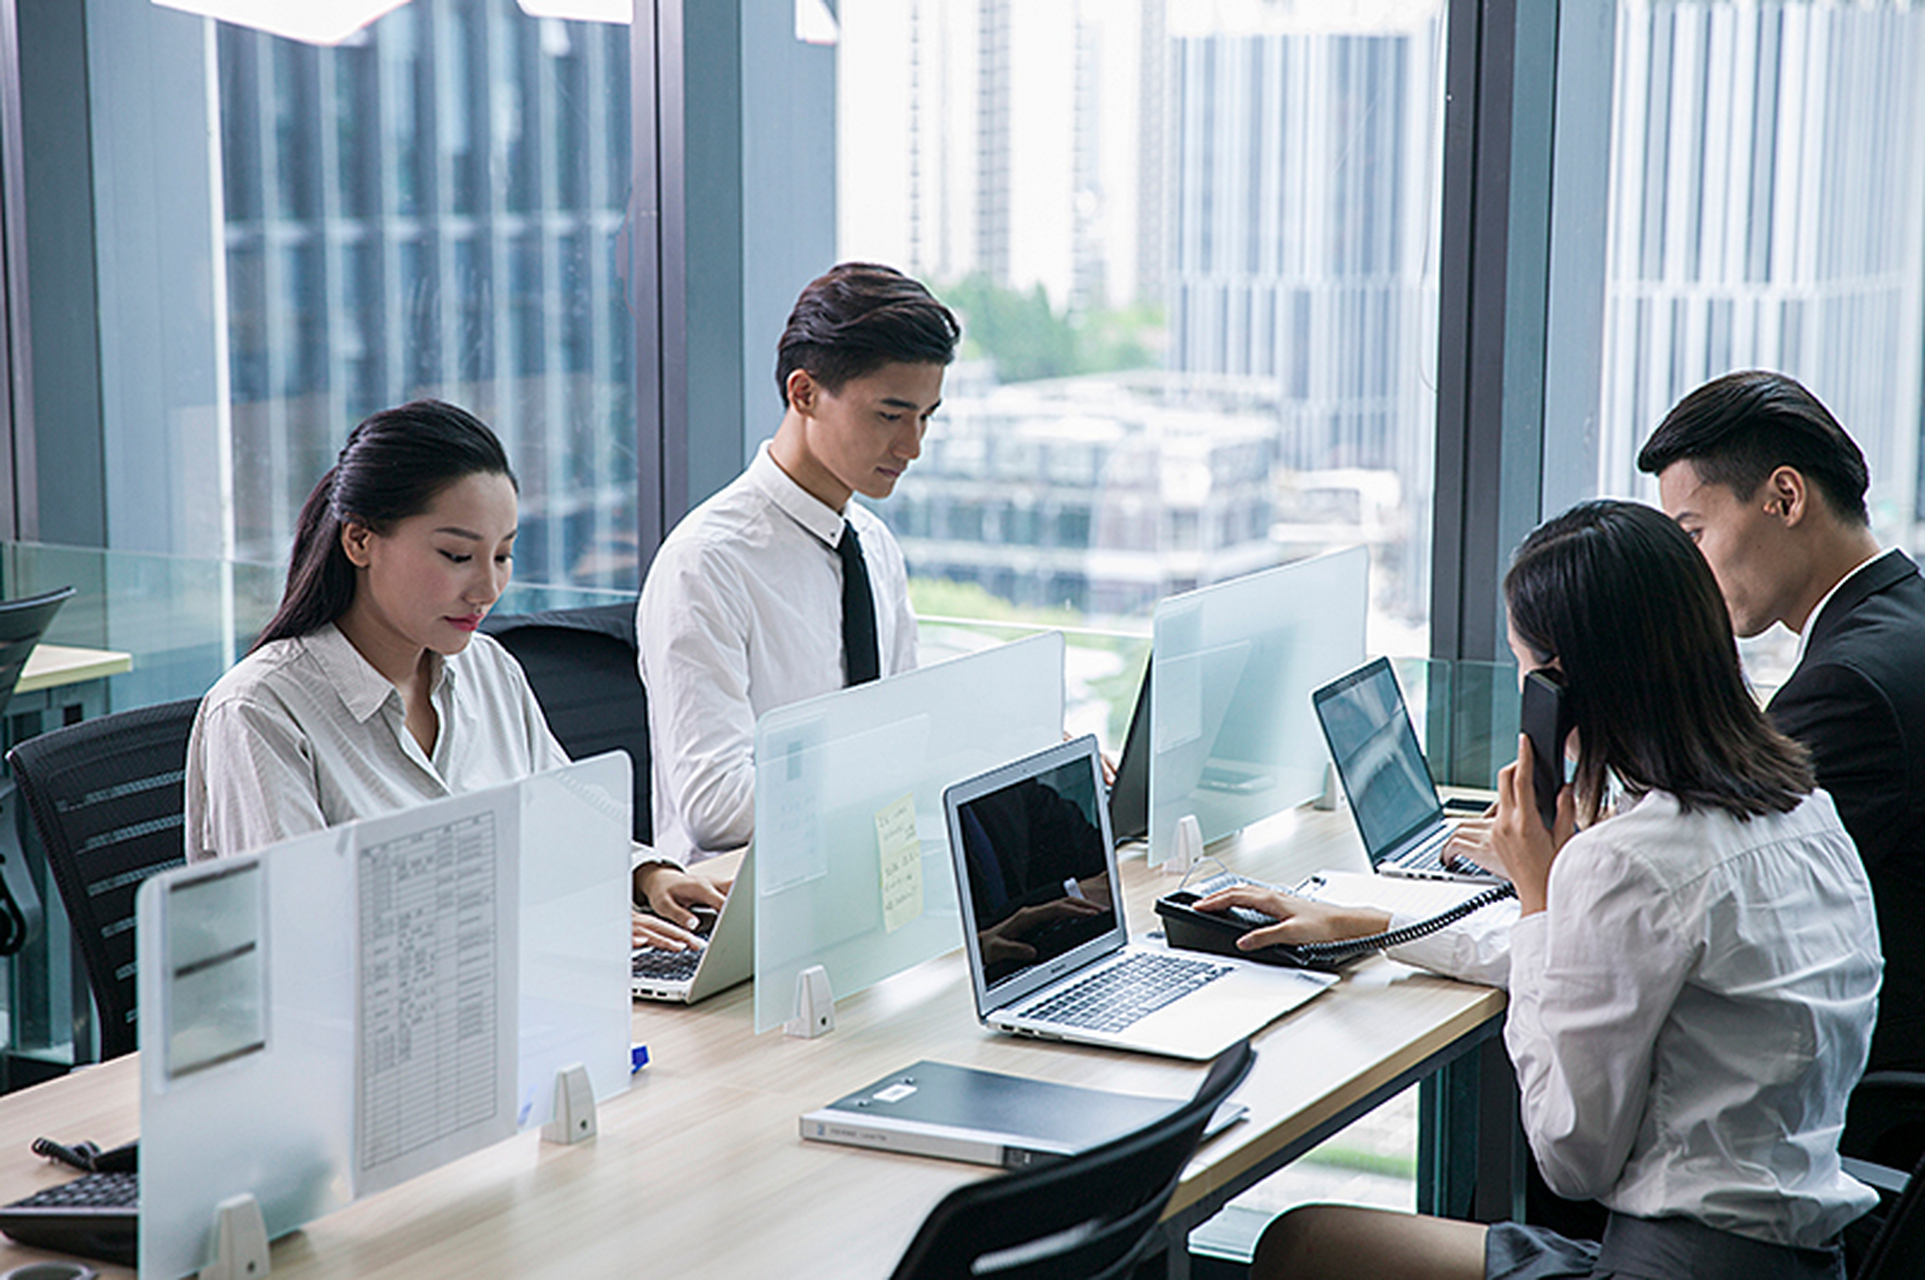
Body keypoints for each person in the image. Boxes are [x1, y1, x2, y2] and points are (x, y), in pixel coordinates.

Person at [1201, 500, 1880, 1280]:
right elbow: (1613, 957)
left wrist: (1538, 893)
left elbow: (1568, 1159)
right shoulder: (1801, 809)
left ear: (1558, 690)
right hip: (1802, 1260)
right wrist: (1368, 922)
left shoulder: (1627, 858)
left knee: (1301, 1245)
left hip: (1668, 1266)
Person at [185, 399, 722, 951]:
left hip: (517, 996)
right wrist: (544, 930)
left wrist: (649, 876)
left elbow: (569, 829)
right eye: (457, 555)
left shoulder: (487, 668)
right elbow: (309, 938)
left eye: (504, 556)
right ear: (360, 541)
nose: (486, 590)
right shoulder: (260, 712)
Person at [1637, 369, 1925, 1077]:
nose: (1690, 570)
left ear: (1784, 497)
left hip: (1856, 1086)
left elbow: (1716, 891)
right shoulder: (1902, 618)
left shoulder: (1846, 686)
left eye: (1693, 533)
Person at [638, 263, 960, 866]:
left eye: (925, 417)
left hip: (871, 884)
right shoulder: (706, 564)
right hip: (741, 915)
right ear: (804, 392)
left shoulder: (872, 544)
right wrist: (896, 762)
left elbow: (907, 725)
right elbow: (718, 806)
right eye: (890, 415)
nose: (912, 446)